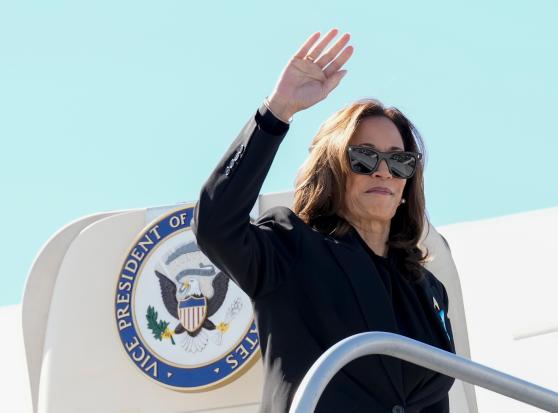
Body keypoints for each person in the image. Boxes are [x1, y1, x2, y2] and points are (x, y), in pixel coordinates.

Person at [192, 29, 456, 413]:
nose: (383, 172)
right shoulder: (290, 247)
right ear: (333, 168)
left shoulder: (428, 290)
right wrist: (278, 110)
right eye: (364, 157)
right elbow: (216, 226)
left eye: (399, 162)